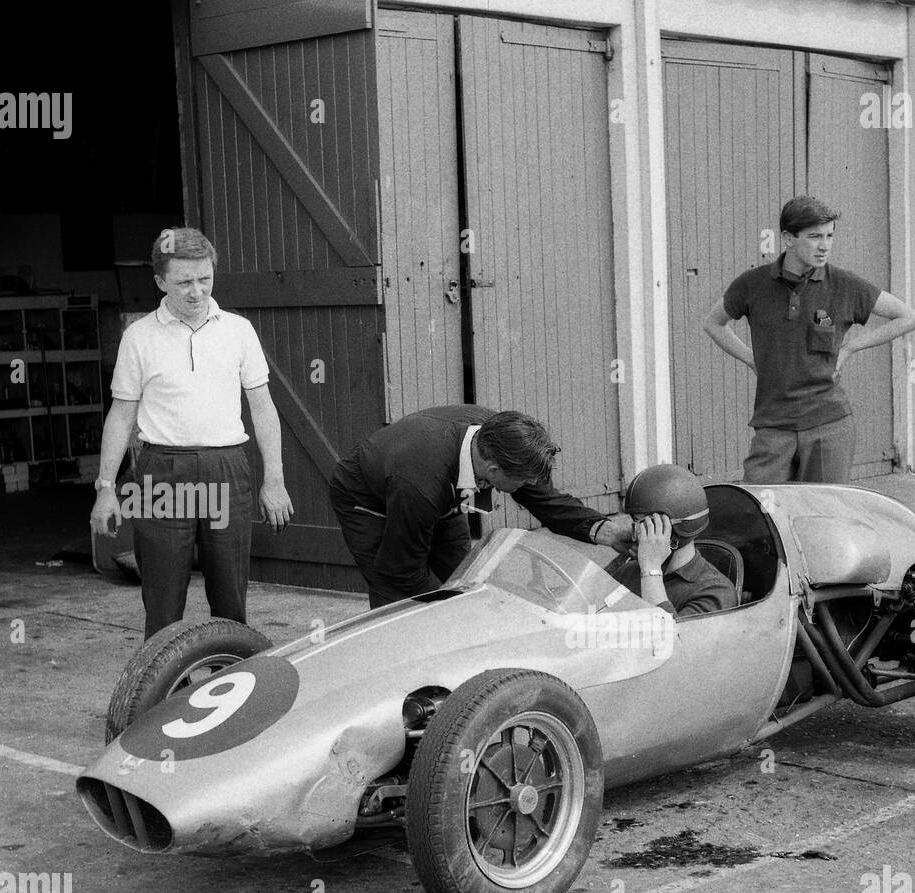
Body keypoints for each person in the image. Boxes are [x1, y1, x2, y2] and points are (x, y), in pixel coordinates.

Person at [91, 227, 293, 639]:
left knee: (230, 601)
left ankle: (232, 688)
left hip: (227, 468)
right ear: (160, 282)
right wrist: (106, 486)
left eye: (205, 278)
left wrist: (274, 480)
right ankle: (166, 695)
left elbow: (263, 408)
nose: (196, 291)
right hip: (162, 472)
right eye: (184, 281)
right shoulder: (139, 337)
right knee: (163, 603)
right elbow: (121, 414)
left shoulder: (238, 330)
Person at [703, 195, 915, 484]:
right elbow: (713, 323)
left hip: (828, 424)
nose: (825, 245)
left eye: (830, 236)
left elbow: (909, 317)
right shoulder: (751, 284)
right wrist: (751, 358)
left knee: (823, 516)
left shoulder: (844, 284)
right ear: (788, 238)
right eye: (815, 236)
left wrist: (852, 346)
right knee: (764, 512)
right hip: (773, 425)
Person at [329, 405, 633, 608]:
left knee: (466, 577)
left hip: (437, 493)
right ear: (494, 472)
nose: (528, 488)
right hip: (368, 501)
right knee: (397, 589)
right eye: (523, 482)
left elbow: (547, 501)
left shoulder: (500, 437)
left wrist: (607, 532)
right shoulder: (420, 484)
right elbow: (403, 571)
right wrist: (449, 608)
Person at [604, 465, 736, 617]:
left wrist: (651, 570)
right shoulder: (627, 572)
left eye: (649, 524)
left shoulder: (715, 592)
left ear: (680, 526)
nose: (639, 533)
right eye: (637, 522)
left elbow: (669, 638)